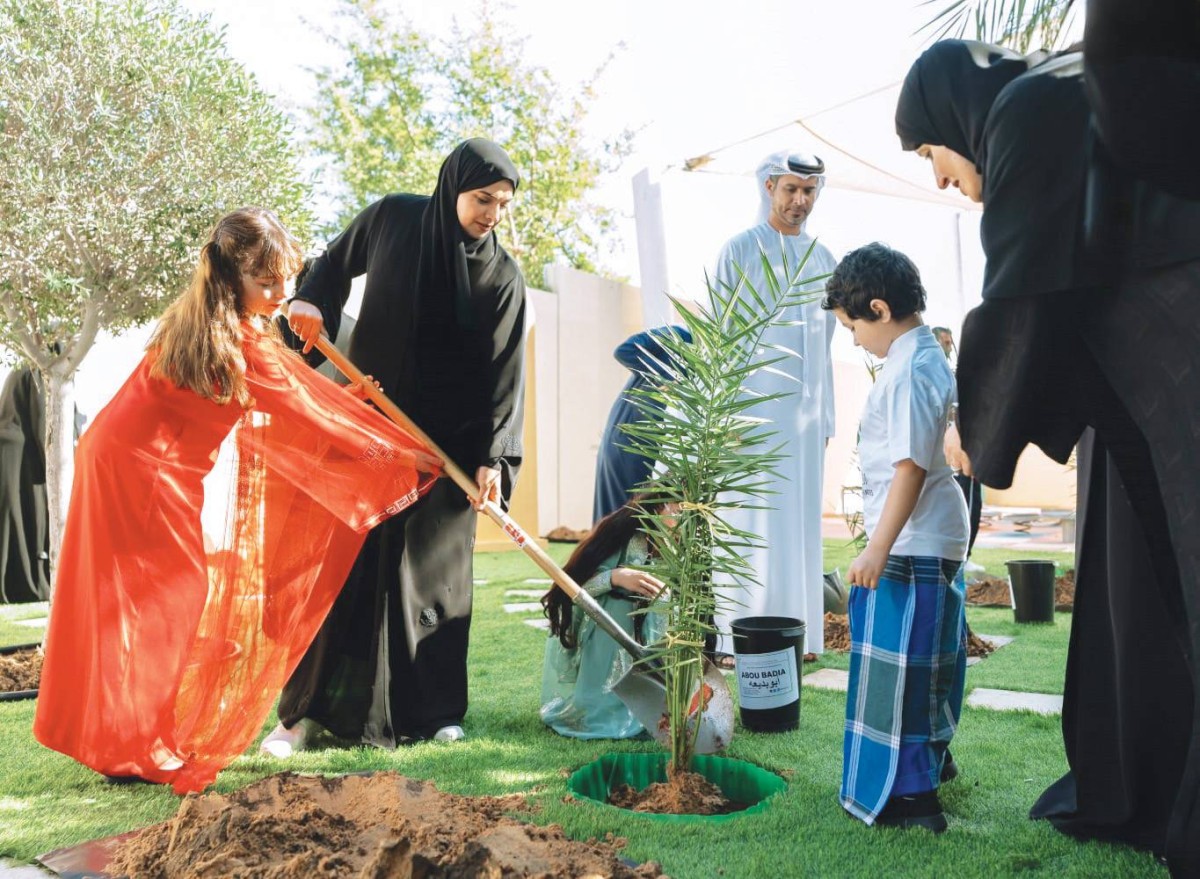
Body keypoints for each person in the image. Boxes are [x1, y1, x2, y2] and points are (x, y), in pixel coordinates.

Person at [897, 39, 1200, 872]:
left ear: (954, 111)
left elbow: (1022, 296)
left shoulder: (1026, 109)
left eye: (928, 152)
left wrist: (976, 432)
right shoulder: (1074, 86)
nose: (939, 178)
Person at [32, 208, 441, 792]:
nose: (280, 294)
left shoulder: (207, 319)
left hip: (121, 455)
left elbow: (296, 394)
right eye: (266, 282)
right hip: (146, 469)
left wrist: (348, 400)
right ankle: (139, 747)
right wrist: (406, 456)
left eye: (287, 281)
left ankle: (123, 741)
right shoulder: (240, 338)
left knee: (138, 603)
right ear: (231, 276)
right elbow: (305, 410)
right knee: (169, 599)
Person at [269, 138, 526, 752]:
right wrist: (309, 299)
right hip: (367, 434)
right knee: (346, 576)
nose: (492, 214)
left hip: (444, 456)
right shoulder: (392, 219)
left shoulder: (503, 278)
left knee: (432, 585)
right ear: (453, 187)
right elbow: (333, 262)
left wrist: (493, 458)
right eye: (482, 198)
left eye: (503, 203)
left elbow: (505, 378)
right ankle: (304, 718)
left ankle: (435, 713)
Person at [822, 242, 969, 833]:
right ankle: (929, 764)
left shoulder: (910, 371)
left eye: (853, 326)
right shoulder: (921, 359)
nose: (856, 340)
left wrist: (876, 548)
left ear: (879, 309)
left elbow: (910, 468)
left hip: (914, 540)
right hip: (924, 534)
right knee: (925, 660)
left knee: (906, 668)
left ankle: (913, 796)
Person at [708, 151, 838, 662]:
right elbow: (721, 338)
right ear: (768, 188)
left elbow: (825, 348)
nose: (799, 200)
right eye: (790, 189)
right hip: (750, 416)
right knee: (747, 524)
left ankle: (798, 637)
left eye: (808, 191)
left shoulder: (824, 260)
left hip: (804, 421)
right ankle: (734, 638)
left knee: (799, 527)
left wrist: (824, 418)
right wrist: (726, 414)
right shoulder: (740, 250)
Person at [540, 495, 668, 739]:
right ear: (659, 505)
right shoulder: (623, 533)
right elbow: (574, 587)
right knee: (619, 609)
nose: (683, 515)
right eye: (677, 507)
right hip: (610, 625)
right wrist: (615, 577)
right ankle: (605, 706)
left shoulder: (682, 544)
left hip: (652, 632)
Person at [592, 325, 691, 524]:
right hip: (629, 438)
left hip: (647, 445)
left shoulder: (708, 365)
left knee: (632, 517)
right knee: (623, 515)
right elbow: (625, 350)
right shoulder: (680, 336)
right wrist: (669, 379)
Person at [930, 326, 982, 561]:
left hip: (963, 455)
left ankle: (964, 558)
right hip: (947, 459)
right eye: (946, 342)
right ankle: (960, 559)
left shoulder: (954, 374)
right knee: (963, 505)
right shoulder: (933, 374)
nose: (950, 347)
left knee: (971, 503)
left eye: (951, 343)